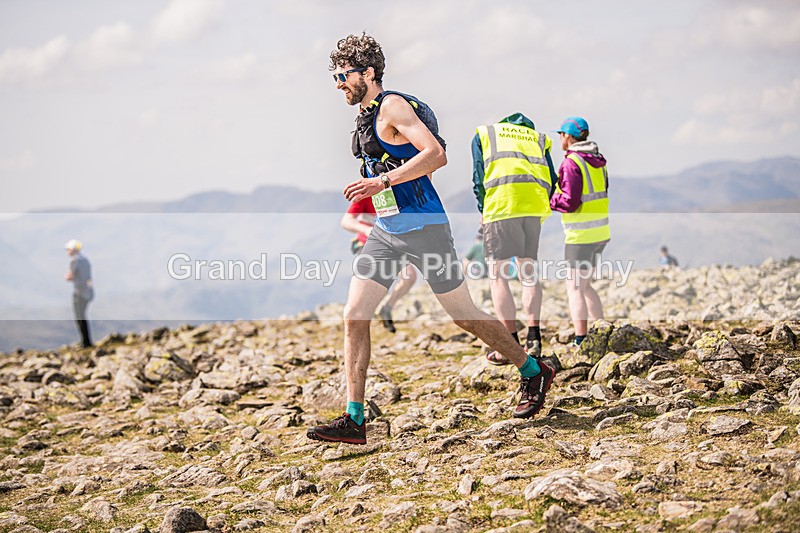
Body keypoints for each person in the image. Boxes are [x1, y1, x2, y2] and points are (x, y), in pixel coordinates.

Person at [307, 33, 555, 445]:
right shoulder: (367, 113)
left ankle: (533, 370)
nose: (338, 84)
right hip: (387, 233)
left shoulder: (393, 106)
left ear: (367, 72)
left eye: (342, 75)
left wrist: (381, 181)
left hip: (426, 231)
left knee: (464, 315)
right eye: (334, 76)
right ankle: (355, 419)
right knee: (355, 315)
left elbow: (437, 154)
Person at [472, 113, 557, 364]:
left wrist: (483, 210)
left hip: (501, 207)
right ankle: (534, 339)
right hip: (532, 208)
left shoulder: (486, 134)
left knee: (498, 276)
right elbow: (552, 178)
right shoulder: (539, 138)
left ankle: (509, 345)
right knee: (528, 273)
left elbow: (479, 177)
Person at [550, 117, 609, 347]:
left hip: (580, 235)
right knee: (585, 286)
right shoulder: (598, 161)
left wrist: (550, 199)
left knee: (574, 288)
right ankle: (602, 328)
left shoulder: (571, 163)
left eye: (560, 135)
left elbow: (570, 202)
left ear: (567, 136)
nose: (560, 140)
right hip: (600, 233)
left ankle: (581, 339)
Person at [341, 198, 418, 332]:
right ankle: (357, 320)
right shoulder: (365, 194)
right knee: (373, 286)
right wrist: (366, 230)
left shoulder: (398, 191)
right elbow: (346, 221)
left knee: (410, 276)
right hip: (368, 245)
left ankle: (386, 308)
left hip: (392, 244)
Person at [64, 239, 94, 348]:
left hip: (79, 292)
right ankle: (86, 341)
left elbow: (70, 276)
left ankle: (85, 342)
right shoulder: (85, 260)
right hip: (88, 292)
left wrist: (68, 277)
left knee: (79, 317)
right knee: (83, 316)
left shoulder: (74, 261)